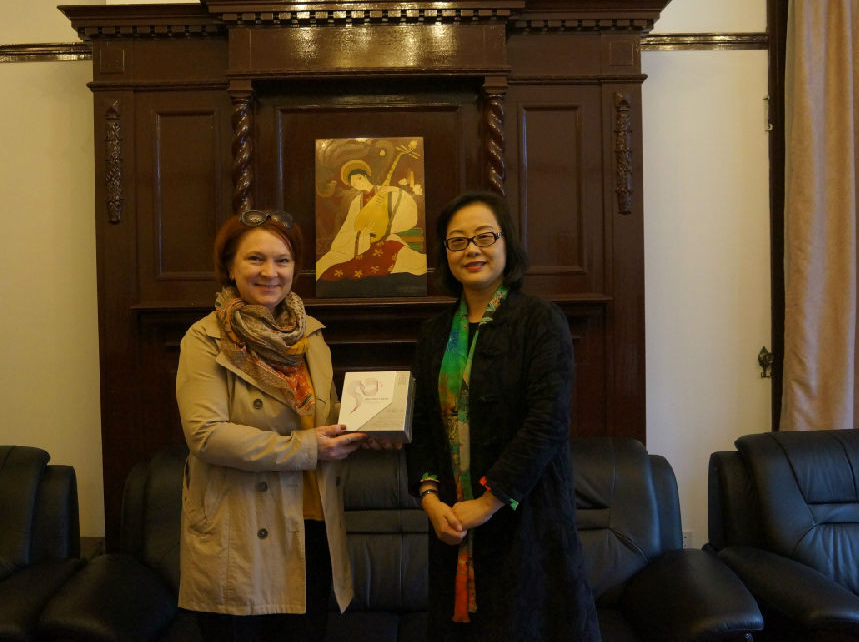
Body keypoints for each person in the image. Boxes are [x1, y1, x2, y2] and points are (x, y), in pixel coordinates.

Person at [405, 192, 601, 642]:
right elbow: (423, 425)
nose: (471, 249)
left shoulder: (540, 321)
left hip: (526, 519)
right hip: (452, 523)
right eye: (458, 241)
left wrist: (487, 503)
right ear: (446, 253)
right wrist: (430, 500)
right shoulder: (434, 334)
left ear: (507, 242)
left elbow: (547, 423)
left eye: (484, 237)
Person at [175, 209, 368, 642]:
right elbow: (206, 435)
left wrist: (370, 430)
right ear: (230, 267)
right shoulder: (205, 339)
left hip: (311, 529)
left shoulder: (310, 335)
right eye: (255, 259)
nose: (270, 272)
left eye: (282, 260)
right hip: (241, 534)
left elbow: (323, 417)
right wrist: (307, 448)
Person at [315, 159, 427, 297]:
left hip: (386, 237)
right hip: (362, 243)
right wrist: (361, 233)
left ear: (364, 176)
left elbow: (405, 210)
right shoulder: (357, 201)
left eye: (357, 179)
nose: (357, 184)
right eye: (353, 184)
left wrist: (395, 191)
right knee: (338, 267)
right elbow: (349, 226)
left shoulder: (385, 191)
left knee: (398, 254)